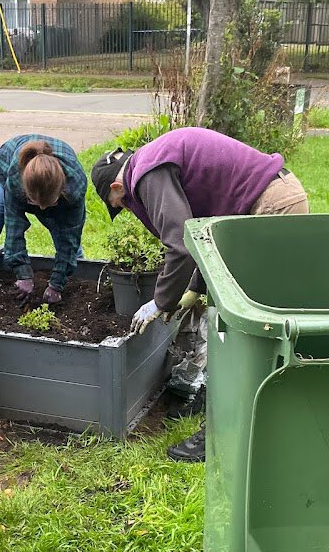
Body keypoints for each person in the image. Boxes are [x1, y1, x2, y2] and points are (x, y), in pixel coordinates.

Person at [91, 126, 309, 462]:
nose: (131, 210)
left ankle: (220, 434)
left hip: (271, 209)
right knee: (232, 320)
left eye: (122, 205)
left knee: (243, 330)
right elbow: (203, 236)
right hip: (268, 202)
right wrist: (194, 289)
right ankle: (225, 402)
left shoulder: (146, 174)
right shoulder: (153, 161)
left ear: (117, 187)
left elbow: (179, 245)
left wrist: (160, 302)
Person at [0, 135, 87, 306]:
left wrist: (56, 285)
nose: (41, 210)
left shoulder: (75, 187)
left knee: (67, 240)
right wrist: (23, 275)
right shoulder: (15, 179)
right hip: (4, 166)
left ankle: (79, 289)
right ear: (25, 193)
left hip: (54, 191)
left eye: (48, 204)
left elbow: (70, 236)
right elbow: (14, 231)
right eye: (34, 203)